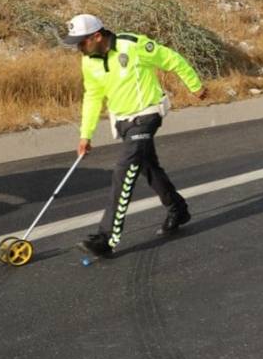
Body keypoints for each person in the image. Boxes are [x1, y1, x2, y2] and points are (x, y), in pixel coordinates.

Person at [63, 14, 207, 258]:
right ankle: (178, 209)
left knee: (123, 171)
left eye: (82, 42)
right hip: (122, 122)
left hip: (147, 114)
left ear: (97, 36)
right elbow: (93, 97)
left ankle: (106, 238)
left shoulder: (134, 45)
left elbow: (171, 59)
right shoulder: (89, 61)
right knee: (148, 167)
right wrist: (85, 134)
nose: (79, 48)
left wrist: (195, 86)